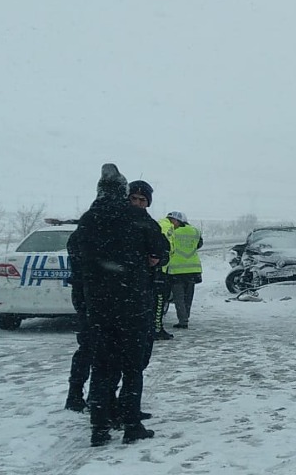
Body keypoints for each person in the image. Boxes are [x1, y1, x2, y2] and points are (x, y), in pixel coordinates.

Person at [68, 164, 168, 446]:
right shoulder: (135, 217)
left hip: (99, 306)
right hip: (133, 304)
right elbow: (160, 249)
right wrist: (149, 259)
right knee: (133, 367)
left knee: (102, 367)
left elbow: (74, 253)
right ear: (123, 193)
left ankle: (99, 428)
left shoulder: (88, 220)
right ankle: (131, 423)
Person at [130, 179, 175, 342]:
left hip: (145, 283)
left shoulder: (151, 225)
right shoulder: (114, 221)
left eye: (142, 200)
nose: (136, 203)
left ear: (148, 203)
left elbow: (164, 251)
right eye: (133, 198)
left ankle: (154, 330)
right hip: (117, 287)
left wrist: (158, 258)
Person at [161, 211, 204, 329]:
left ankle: (183, 320)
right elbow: (199, 244)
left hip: (176, 269)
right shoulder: (195, 231)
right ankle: (186, 317)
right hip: (193, 268)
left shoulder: (171, 230)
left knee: (178, 297)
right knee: (188, 296)